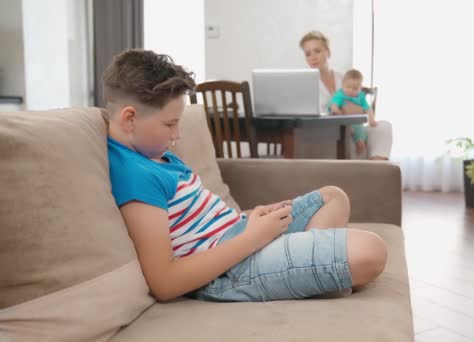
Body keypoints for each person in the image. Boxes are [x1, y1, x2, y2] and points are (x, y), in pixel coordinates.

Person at [103, 49, 387, 302]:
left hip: (239, 232)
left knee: (334, 197)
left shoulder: (154, 153)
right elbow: (164, 282)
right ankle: (306, 269)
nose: (177, 135)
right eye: (171, 124)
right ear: (130, 118)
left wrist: (252, 218)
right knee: (372, 251)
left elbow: (202, 220)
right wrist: (254, 238)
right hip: (228, 271)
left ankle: (306, 272)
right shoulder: (135, 174)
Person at [299, 31, 393, 160]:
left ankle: (376, 166)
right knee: (346, 134)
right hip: (328, 134)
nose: (313, 57)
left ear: (328, 52)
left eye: (317, 51)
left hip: (353, 129)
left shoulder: (343, 79)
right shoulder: (305, 85)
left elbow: (362, 108)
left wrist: (346, 111)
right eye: (308, 54)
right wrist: (348, 110)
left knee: (384, 126)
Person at [328, 69, 375, 155]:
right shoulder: (340, 94)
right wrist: (340, 113)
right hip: (343, 120)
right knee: (347, 127)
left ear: (360, 88)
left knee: (359, 130)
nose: (351, 90)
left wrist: (371, 119)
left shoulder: (361, 97)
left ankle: (360, 143)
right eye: (348, 87)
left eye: (355, 88)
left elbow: (368, 109)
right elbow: (334, 107)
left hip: (356, 122)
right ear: (342, 85)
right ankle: (352, 134)